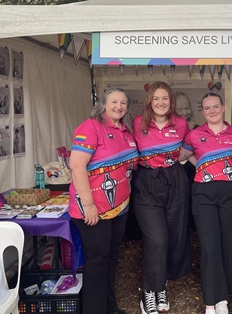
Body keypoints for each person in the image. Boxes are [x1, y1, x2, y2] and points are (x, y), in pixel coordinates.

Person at [68, 88, 138, 314]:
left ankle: (109, 307)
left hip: (118, 209)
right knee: (97, 262)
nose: (119, 106)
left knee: (110, 258)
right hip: (93, 210)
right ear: (103, 104)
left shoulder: (125, 131)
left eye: (123, 103)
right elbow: (77, 165)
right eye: (114, 102)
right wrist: (89, 204)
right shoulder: (91, 127)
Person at [180, 93, 232, 314]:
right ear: (202, 110)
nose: (212, 111)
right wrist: (201, 165)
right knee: (209, 246)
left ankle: (223, 298)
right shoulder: (194, 135)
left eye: (215, 107)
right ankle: (210, 301)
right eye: (207, 108)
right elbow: (181, 156)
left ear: (223, 108)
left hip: (230, 194)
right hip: (203, 194)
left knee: (228, 244)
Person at [131, 81, 191, 314]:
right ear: (149, 101)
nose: (160, 102)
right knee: (157, 239)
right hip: (146, 183)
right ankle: (149, 291)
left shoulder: (181, 123)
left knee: (174, 235)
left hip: (175, 181)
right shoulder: (138, 123)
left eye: (165, 98)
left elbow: (188, 149)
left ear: (171, 101)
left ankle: (161, 286)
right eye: (156, 98)